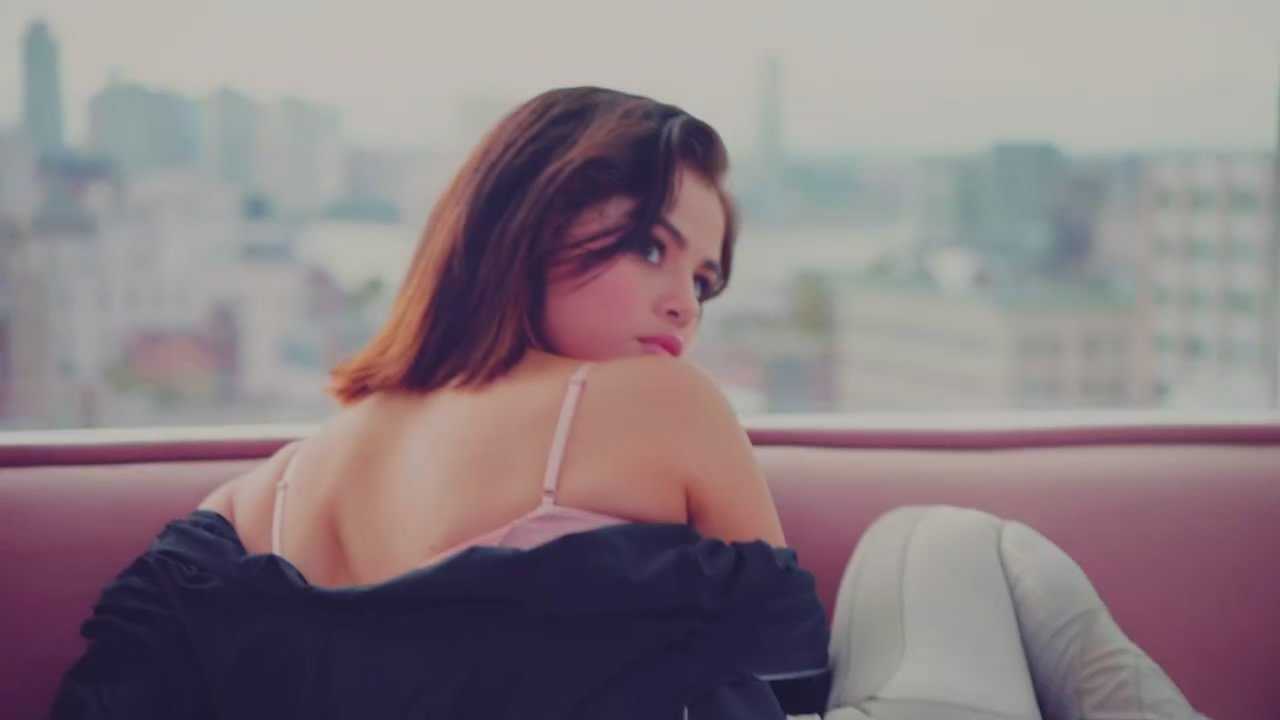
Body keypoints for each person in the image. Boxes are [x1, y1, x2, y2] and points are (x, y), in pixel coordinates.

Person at [51, 86, 1203, 720]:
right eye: (651, 245)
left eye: (701, 278)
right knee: (951, 540)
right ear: (527, 214)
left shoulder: (251, 501)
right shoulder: (653, 404)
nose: (681, 303)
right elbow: (788, 680)